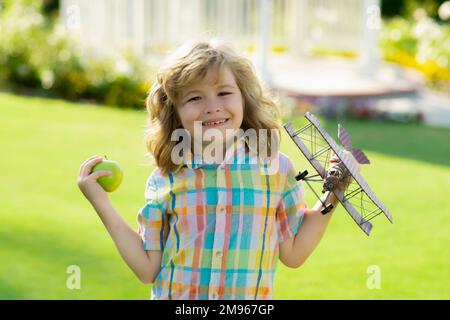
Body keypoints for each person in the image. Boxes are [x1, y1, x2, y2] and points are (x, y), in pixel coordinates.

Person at [77, 40, 344, 300]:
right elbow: (148, 269)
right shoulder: (166, 177)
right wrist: (100, 202)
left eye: (224, 93)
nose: (212, 106)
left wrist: (334, 192)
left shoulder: (275, 168)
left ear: (244, 98)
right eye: (195, 97)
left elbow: (294, 252)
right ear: (175, 112)